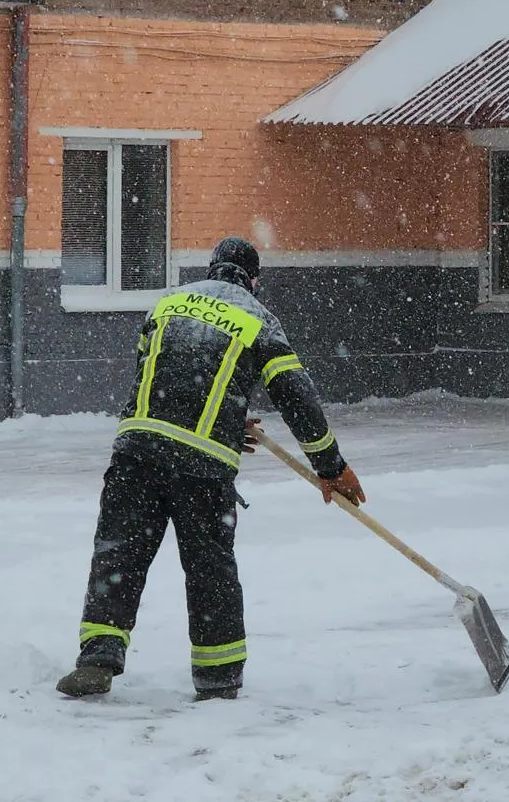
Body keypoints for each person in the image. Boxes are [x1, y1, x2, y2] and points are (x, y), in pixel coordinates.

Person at [56, 237, 365, 702]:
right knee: (209, 571)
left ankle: (97, 659)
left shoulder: (168, 302)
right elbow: (295, 396)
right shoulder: (258, 318)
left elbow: (158, 373)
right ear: (254, 280)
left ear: (212, 268)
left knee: (118, 555)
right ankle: (218, 680)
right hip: (201, 467)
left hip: (138, 450)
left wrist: (225, 419)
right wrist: (331, 466)